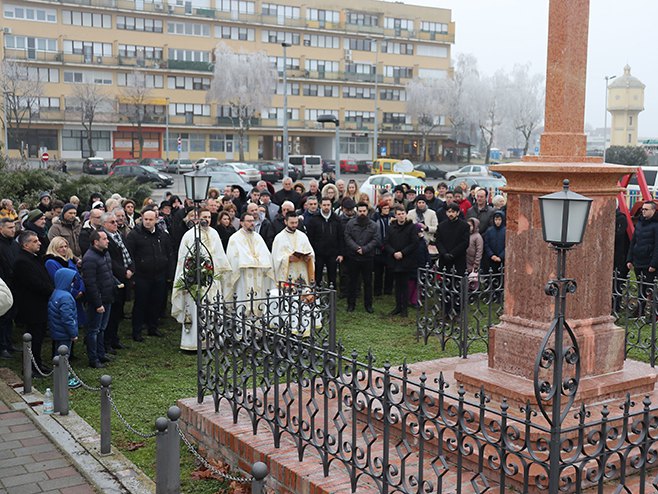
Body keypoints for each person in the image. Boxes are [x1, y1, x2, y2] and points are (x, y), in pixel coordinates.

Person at [172, 208, 230, 351]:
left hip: (213, 278)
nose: (207, 219)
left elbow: (220, 255)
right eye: (204, 216)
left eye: (209, 217)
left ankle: (213, 340)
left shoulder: (214, 233)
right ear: (197, 218)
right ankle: (193, 343)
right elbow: (184, 258)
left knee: (213, 308)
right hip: (196, 280)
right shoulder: (190, 235)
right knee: (195, 309)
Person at [126, 209, 174, 342]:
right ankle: (137, 331)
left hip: (159, 274)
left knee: (156, 302)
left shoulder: (162, 235)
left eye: (150, 219)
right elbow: (129, 255)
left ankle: (153, 327)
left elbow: (169, 253)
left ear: (156, 220)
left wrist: (169, 273)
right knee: (140, 303)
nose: (147, 222)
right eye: (145, 219)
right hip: (142, 275)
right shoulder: (134, 235)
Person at [13, 231, 54, 373]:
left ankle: (37, 363)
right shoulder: (22, 262)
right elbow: (35, 283)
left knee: (39, 336)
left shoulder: (34, 258)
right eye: (35, 241)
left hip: (40, 304)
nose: (39, 243)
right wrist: (50, 290)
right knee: (33, 337)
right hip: (31, 306)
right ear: (25, 245)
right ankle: (31, 367)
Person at [82, 230, 115, 368]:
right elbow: (90, 283)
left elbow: (108, 273)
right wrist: (97, 303)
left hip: (107, 297)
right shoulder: (90, 258)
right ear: (96, 242)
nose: (108, 241)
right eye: (104, 238)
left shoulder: (105, 253)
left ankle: (101, 354)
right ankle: (93, 358)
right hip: (98, 300)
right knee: (93, 330)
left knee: (102, 328)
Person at [225, 213, 275, 304]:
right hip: (244, 274)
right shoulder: (235, 238)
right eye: (249, 221)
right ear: (241, 223)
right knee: (244, 297)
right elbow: (233, 257)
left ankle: (258, 315)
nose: (252, 223)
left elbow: (266, 254)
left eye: (253, 221)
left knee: (259, 298)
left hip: (258, 272)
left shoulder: (258, 237)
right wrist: (249, 261)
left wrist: (258, 261)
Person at [102, 212, 133, 353]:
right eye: (112, 222)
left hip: (124, 277)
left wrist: (132, 268)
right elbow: (110, 260)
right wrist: (123, 272)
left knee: (118, 311)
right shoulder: (104, 238)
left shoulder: (118, 235)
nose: (116, 224)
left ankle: (114, 339)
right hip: (113, 279)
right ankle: (107, 342)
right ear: (104, 224)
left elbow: (127, 253)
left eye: (116, 221)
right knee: (111, 314)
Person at [47, 268, 81, 388]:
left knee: (58, 354)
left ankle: (59, 375)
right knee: (64, 356)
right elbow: (67, 318)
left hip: (57, 331)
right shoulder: (66, 297)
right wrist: (73, 333)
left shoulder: (56, 293)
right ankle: (64, 379)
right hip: (64, 333)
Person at [384, 205, 418, 317]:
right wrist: (393, 252)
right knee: (397, 285)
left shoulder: (412, 227)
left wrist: (403, 253)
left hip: (406, 260)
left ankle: (404, 308)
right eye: (399, 214)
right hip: (394, 260)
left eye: (403, 213)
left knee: (405, 285)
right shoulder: (391, 227)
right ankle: (398, 306)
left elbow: (414, 243)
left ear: (406, 214)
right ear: (395, 215)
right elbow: (386, 243)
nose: (401, 216)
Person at [344, 202, 378, 313]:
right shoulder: (350, 223)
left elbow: (376, 239)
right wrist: (356, 248)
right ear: (356, 211)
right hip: (353, 257)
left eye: (364, 211)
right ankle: (351, 305)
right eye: (360, 211)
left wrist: (365, 249)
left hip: (368, 258)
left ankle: (368, 305)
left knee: (368, 283)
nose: (362, 213)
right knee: (352, 282)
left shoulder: (373, 225)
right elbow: (347, 237)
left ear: (367, 212)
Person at [627, 201, 658, 317]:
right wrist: (629, 259)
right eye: (642, 209)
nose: (643, 211)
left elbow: (657, 246)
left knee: (650, 288)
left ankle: (654, 314)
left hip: (649, 263)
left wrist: (654, 264)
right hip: (638, 260)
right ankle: (639, 311)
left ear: (653, 211)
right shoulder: (640, 223)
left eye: (646, 209)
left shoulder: (656, 225)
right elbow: (633, 242)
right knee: (641, 288)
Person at [306, 197, 344, 288]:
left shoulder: (337, 219)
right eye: (324, 205)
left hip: (333, 254)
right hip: (318, 254)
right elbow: (310, 238)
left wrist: (341, 253)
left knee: (332, 277)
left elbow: (341, 237)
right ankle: (317, 296)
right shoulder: (314, 220)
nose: (326, 207)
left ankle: (332, 296)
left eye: (328, 205)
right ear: (320, 206)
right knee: (317, 276)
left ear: (331, 206)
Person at [272, 213, 315, 285]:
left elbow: (311, 253)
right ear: (285, 222)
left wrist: (308, 257)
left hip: (302, 270)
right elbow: (276, 258)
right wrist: (288, 258)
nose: (294, 225)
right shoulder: (279, 238)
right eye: (292, 223)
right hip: (289, 272)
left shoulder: (302, 236)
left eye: (296, 222)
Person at [0, 218, 18, 358]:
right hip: (4, 286)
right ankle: (2, 346)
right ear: (1, 229)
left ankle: (9, 342)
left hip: (14, 286)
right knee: (3, 318)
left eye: (14, 227)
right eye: (10, 227)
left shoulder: (14, 244)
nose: (13, 230)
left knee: (10, 317)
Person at [436, 202, 470, 274]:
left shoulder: (464, 226)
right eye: (449, 212)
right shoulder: (441, 226)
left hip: (458, 258)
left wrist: (453, 254)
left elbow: (465, 242)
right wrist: (444, 253)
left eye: (453, 212)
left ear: (458, 213)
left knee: (458, 281)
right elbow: (438, 241)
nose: (451, 214)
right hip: (444, 258)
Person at [372, 202, 393, 297]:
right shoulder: (375, 218)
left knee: (389, 270)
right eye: (384, 208)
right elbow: (374, 233)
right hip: (378, 249)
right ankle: (377, 290)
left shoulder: (391, 218)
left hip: (389, 248)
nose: (386, 210)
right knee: (378, 271)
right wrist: (380, 244)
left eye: (388, 208)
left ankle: (388, 290)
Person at [613, 206, 631, 312]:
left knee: (617, 284)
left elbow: (618, 237)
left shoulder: (620, 219)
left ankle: (616, 308)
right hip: (616, 256)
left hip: (619, 257)